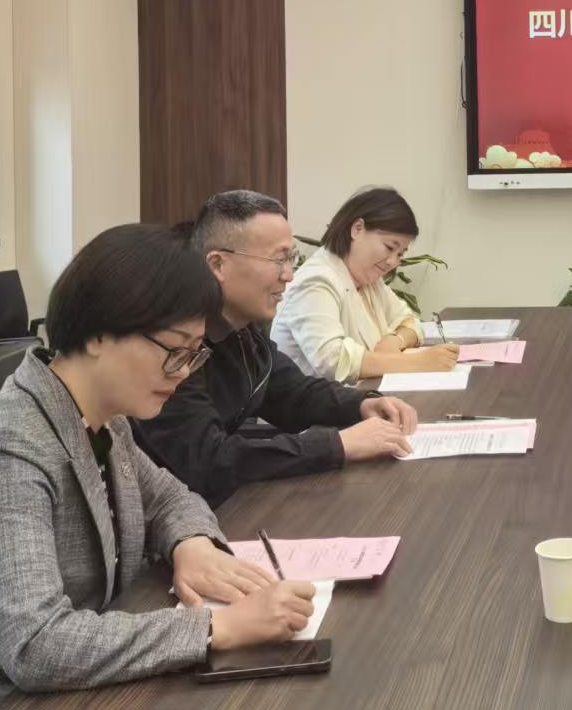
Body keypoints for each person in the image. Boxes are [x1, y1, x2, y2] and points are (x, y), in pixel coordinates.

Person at [0, 225, 317, 710]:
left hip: (70, 696)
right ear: (98, 334)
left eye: (195, 353)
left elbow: (169, 498)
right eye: (175, 350)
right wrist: (215, 628)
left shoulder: (103, 417)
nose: (184, 371)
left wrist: (192, 545)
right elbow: (37, 645)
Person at [131, 191, 419, 508]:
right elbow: (207, 461)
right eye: (278, 259)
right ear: (218, 264)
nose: (289, 275)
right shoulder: (174, 344)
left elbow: (291, 392)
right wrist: (336, 445)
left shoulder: (242, 330)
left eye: (290, 259)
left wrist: (362, 404)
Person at [273, 187, 459, 381]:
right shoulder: (315, 280)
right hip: (316, 400)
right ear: (357, 228)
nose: (392, 262)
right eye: (389, 247)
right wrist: (418, 363)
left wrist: (395, 340)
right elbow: (334, 361)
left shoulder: (368, 279)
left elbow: (410, 321)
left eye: (400, 254)